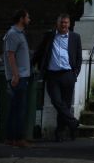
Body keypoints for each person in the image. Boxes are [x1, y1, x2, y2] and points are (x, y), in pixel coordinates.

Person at [32, 13, 83, 142]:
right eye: (62, 23)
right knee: (57, 102)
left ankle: (60, 132)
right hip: (52, 75)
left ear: (69, 24)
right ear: (57, 23)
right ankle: (73, 123)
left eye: (66, 22)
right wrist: (31, 65)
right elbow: (39, 52)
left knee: (65, 105)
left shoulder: (75, 37)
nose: (64, 25)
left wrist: (75, 73)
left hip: (68, 75)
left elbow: (79, 57)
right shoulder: (50, 36)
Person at [3, 8, 32, 148]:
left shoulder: (19, 33)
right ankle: (18, 138)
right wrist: (15, 75)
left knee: (15, 108)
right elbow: (10, 55)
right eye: (27, 17)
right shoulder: (13, 34)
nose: (29, 20)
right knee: (19, 108)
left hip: (21, 75)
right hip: (19, 77)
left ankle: (11, 137)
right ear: (21, 19)